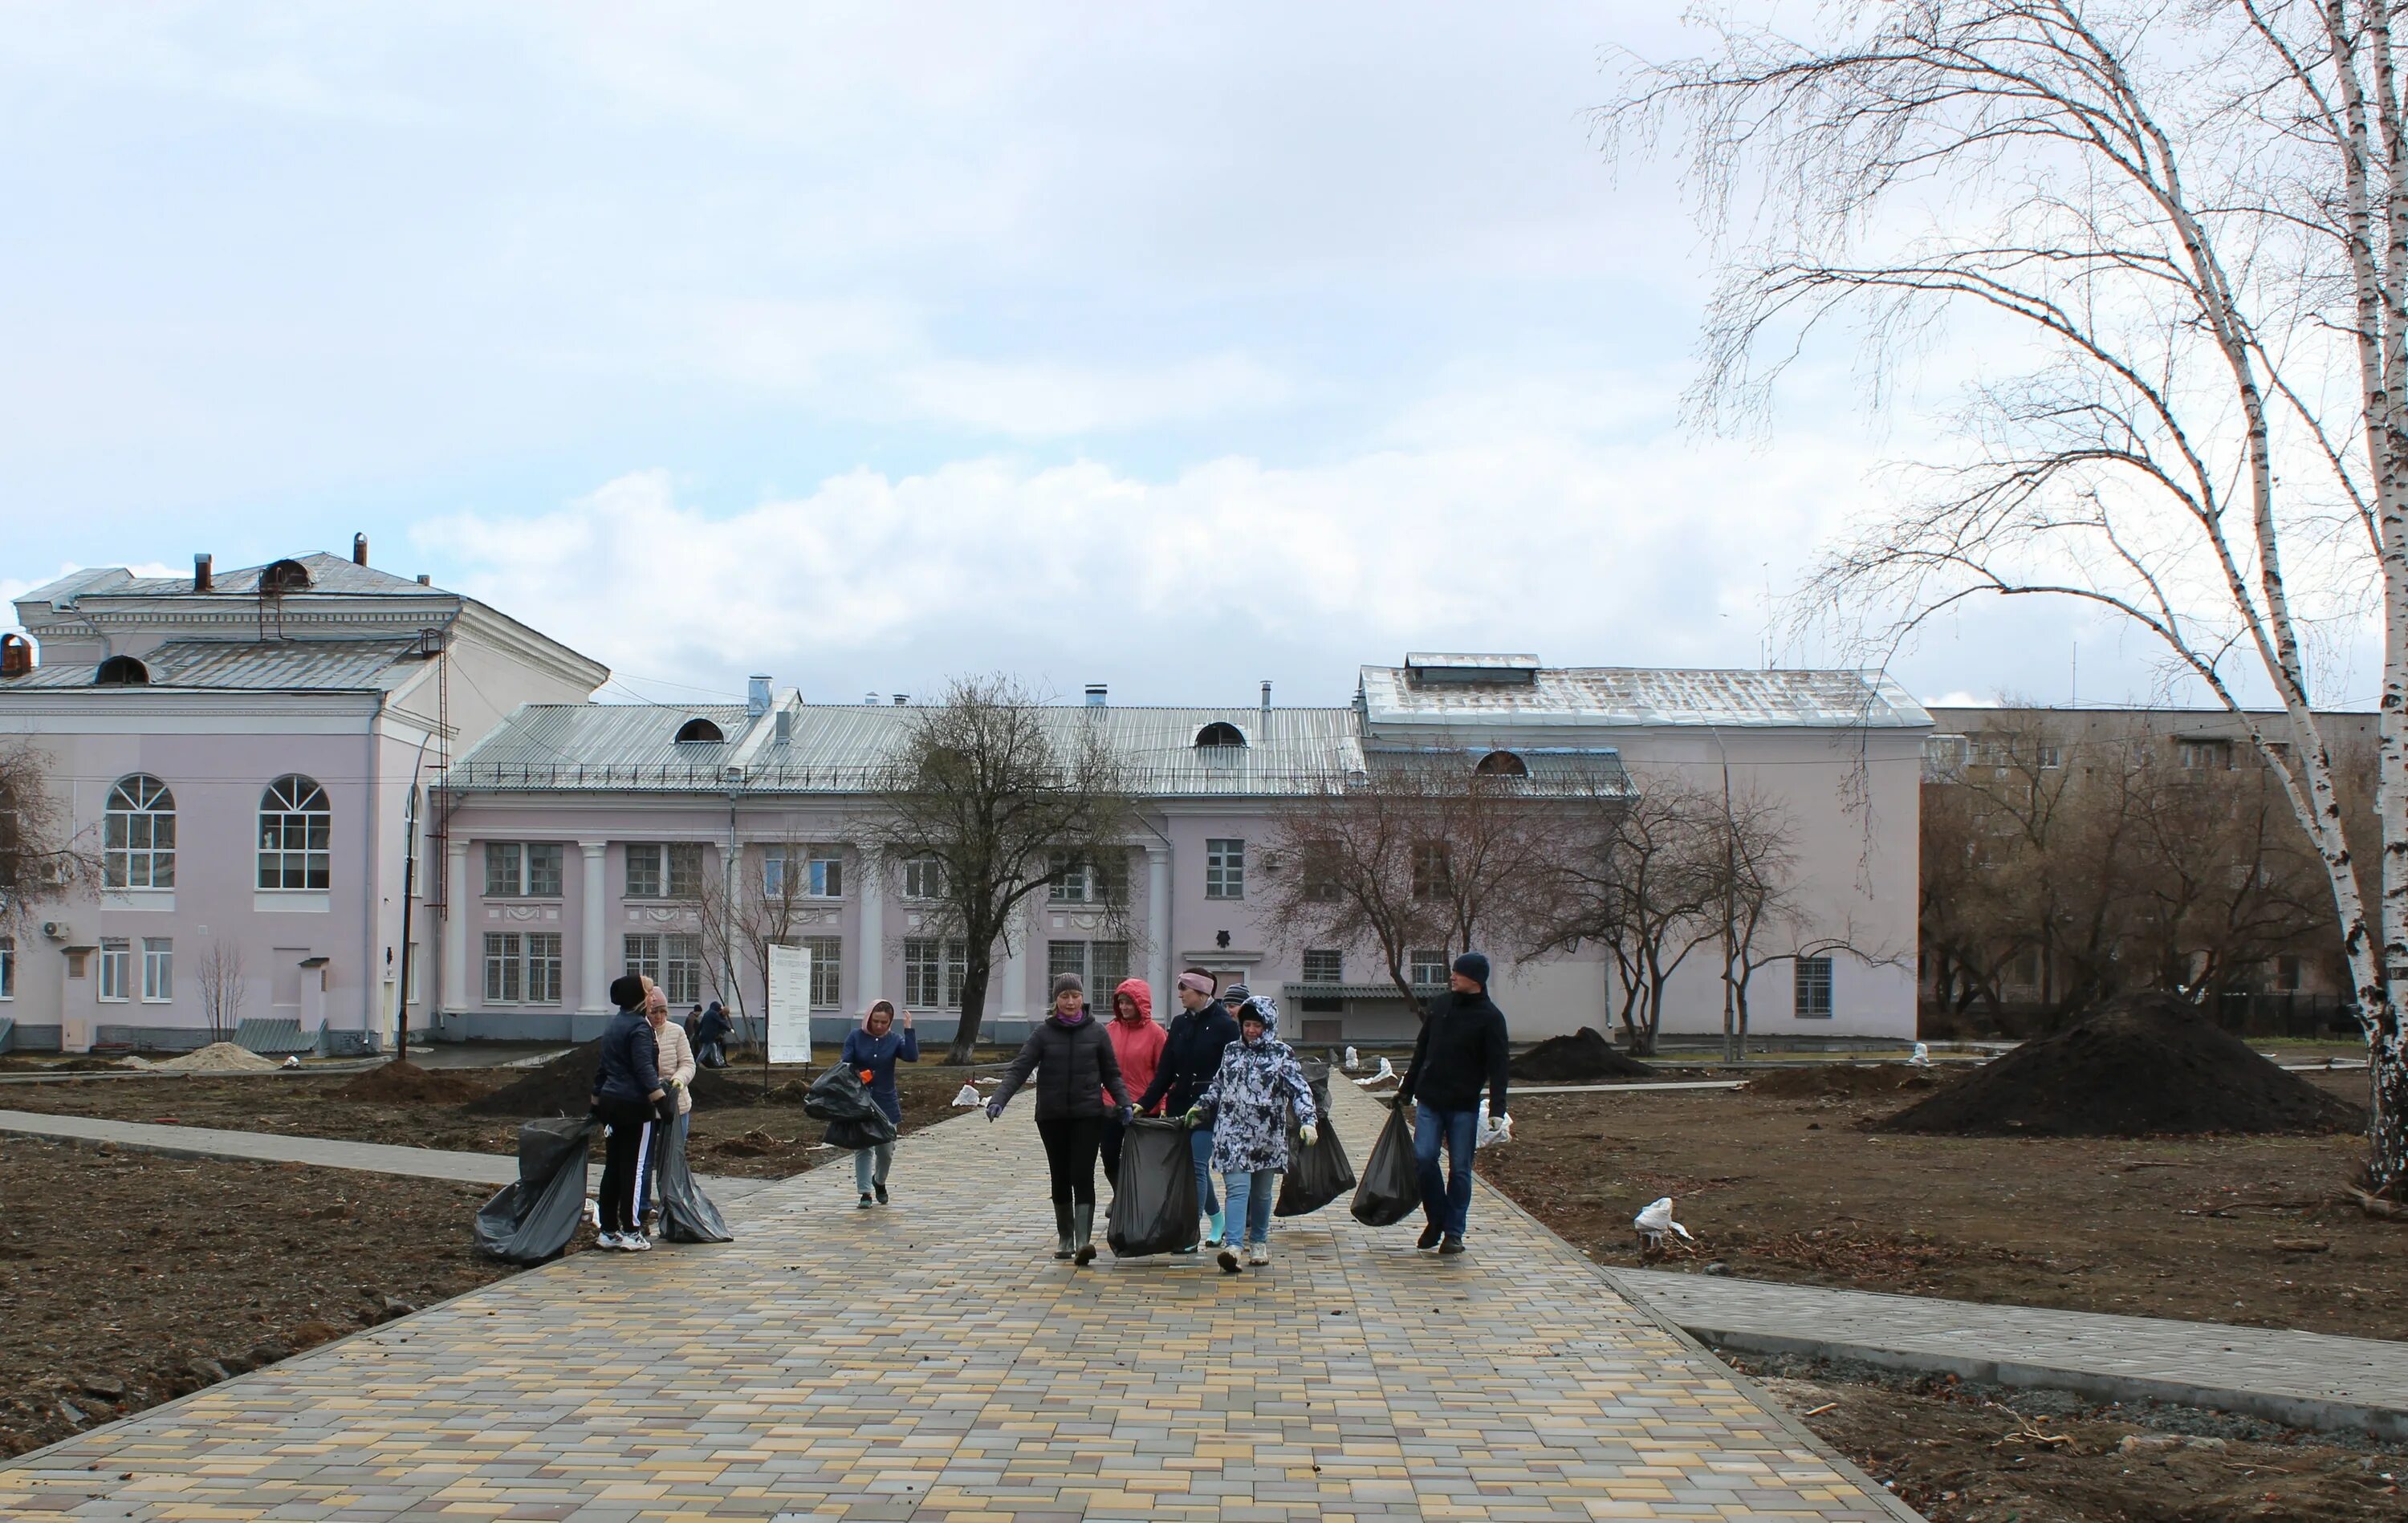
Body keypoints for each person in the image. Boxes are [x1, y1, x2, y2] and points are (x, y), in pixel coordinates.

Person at [986, 973, 1132, 1265]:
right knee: (1061, 1175)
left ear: (1083, 998)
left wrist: (1125, 1103)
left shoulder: (1097, 1033)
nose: (1070, 1001)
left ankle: (1083, 1241)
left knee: (1082, 1173)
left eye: (1075, 996)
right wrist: (999, 1098)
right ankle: (1065, 1237)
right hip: (1052, 1117)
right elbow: (1020, 1068)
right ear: (1056, 1000)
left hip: (1089, 1115)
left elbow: (1112, 1074)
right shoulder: (1043, 1033)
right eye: (1064, 996)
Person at [1186, 996, 1316, 1272]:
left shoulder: (1282, 1054)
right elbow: (1219, 1085)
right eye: (1247, 1024)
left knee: (1261, 1194)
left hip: (1266, 1137)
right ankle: (1233, 1247)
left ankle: (1258, 1242)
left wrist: (1308, 1120)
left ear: (1268, 1025)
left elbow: (1300, 1089)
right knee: (1237, 1189)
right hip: (1232, 1133)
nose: (1251, 1030)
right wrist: (1201, 1106)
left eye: (1257, 1024)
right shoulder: (1232, 1051)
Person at [1393, 952, 1511, 1256]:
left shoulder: (1491, 1018)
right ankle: (1437, 1220)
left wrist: (1498, 1109)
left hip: (1463, 1106)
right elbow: (1423, 1050)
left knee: (1460, 1169)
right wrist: (1406, 1089)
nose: (1452, 976)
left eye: (1458, 972)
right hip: (1430, 1099)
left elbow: (1499, 1066)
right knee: (1423, 1158)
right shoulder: (1442, 1005)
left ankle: (1454, 1233)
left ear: (1476, 979)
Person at [1138, 969, 1242, 1251]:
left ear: (1202, 992)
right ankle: (1216, 1219)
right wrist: (1145, 1103)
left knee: (1196, 1167)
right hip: (1180, 1105)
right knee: (1189, 1167)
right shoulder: (1180, 1023)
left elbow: (1231, 1073)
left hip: (1209, 1107)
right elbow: (1166, 1071)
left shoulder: (1225, 1025)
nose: (1180, 993)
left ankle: (1188, 1233)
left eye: (1185, 988)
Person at [591, 973, 668, 1252]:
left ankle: (608, 1231)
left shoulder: (614, 1025)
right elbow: (643, 1068)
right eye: (648, 992)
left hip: (611, 1104)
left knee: (613, 1167)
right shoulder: (639, 1027)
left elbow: (603, 1068)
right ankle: (632, 1231)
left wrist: (595, 1101)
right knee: (634, 1169)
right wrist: (660, 1100)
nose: (652, 996)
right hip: (634, 1106)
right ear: (637, 998)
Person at [840, 998, 918, 1207]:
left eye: (884, 1022)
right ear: (868, 1019)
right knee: (863, 1148)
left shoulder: (894, 1040)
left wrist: (909, 1030)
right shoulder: (856, 1037)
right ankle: (865, 1193)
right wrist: (857, 1073)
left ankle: (879, 1181)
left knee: (886, 1149)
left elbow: (911, 1056)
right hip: (861, 1101)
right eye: (876, 1021)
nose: (880, 1026)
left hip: (886, 1102)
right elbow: (844, 1063)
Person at [640, 981, 698, 1238]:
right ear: (646, 1012)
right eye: (655, 1012)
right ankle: (642, 1207)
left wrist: (678, 1080)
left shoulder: (676, 1032)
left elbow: (688, 1063)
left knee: (673, 1157)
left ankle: (671, 1205)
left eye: (663, 1011)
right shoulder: (641, 1033)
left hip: (678, 1106)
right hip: (650, 1108)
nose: (660, 1017)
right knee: (646, 1160)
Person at [1099, 977, 1165, 1188]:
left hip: (1144, 1107)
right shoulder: (1110, 1030)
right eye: (1121, 1002)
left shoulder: (1156, 1034)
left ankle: (1136, 1201)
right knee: (1109, 1156)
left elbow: (1164, 1073)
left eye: (1129, 1002)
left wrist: (1163, 1103)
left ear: (1141, 1004)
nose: (1124, 1007)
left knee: (1143, 1161)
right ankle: (1121, 1196)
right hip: (1112, 1104)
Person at [694, 1001, 732, 1068]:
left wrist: (697, 1034)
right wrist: (729, 1029)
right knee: (705, 1050)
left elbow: (701, 1024)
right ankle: (696, 1063)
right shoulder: (714, 1014)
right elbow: (721, 1022)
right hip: (709, 1036)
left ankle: (717, 1063)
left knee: (714, 1048)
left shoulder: (707, 1013)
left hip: (706, 1035)